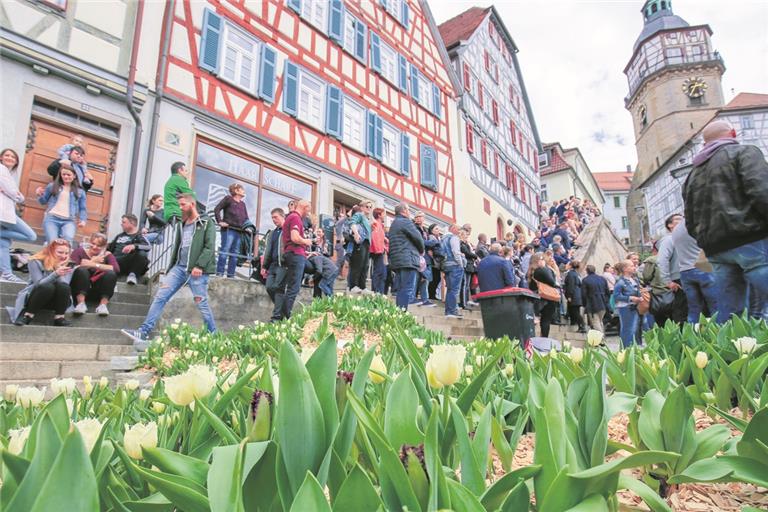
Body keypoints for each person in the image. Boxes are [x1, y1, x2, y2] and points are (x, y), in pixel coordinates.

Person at [682, 119, 768, 322]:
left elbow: (690, 219)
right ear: (733, 133)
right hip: (751, 238)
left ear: (705, 144)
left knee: (730, 313)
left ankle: (732, 351)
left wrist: (706, 240)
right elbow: (762, 191)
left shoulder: (692, 175)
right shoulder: (745, 153)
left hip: (716, 248)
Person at [122, 194, 216, 343]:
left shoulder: (205, 222)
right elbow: (177, 247)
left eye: (183, 205)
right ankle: (144, 331)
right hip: (178, 269)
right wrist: (170, 267)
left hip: (197, 271)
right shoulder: (181, 224)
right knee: (160, 297)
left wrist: (199, 265)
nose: (180, 208)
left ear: (192, 204)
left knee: (201, 303)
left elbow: (209, 247)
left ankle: (213, 335)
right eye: (179, 205)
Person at [11, 238, 73, 326]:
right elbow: (38, 284)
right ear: (50, 251)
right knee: (47, 286)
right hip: (36, 297)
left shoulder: (64, 264)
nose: (64, 256)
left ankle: (59, 317)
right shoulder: (35, 261)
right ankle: (28, 315)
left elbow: (65, 286)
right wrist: (55, 273)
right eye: (60, 252)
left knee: (64, 286)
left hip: (54, 301)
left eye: (66, 253)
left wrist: (58, 268)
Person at [0, 148, 36, 283]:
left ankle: (6, 273)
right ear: (1, 158)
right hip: (3, 214)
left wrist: (14, 194)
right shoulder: (1, 169)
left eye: (13, 157)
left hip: (6, 213)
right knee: (31, 235)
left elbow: (18, 197)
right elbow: (15, 194)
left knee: (3, 245)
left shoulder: (9, 174)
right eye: (7, 155)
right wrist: (14, 194)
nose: (10, 158)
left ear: (16, 161)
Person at [670, 219, 717, 322]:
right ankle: (718, 333)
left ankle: (693, 335)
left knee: (694, 309)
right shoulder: (697, 222)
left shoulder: (676, 230)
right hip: (703, 268)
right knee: (715, 306)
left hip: (685, 271)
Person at [69, 232, 119, 316]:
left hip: (97, 290)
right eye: (93, 243)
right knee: (82, 270)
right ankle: (81, 304)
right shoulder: (79, 251)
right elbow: (72, 269)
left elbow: (115, 269)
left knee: (111, 274)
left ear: (104, 247)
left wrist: (93, 264)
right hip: (78, 289)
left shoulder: (107, 255)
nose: (95, 247)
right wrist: (94, 261)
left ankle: (103, 305)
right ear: (89, 242)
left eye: (99, 245)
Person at [387, 203, 425, 309]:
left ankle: (399, 314)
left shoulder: (394, 223)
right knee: (407, 288)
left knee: (401, 288)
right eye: (408, 209)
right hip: (407, 259)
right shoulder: (405, 221)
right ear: (403, 210)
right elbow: (418, 238)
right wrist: (421, 250)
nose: (409, 212)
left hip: (398, 260)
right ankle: (402, 313)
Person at [654, 213, 688, 325]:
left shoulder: (686, 238)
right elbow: (662, 260)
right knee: (681, 309)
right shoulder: (669, 239)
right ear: (670, 225)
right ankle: (682, 336)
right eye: (678, 219)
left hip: (689, 275)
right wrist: (667, 281)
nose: (682, 220)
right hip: (678, 278)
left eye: (683, 219)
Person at [36, 166, 87, 243]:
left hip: (69, 220)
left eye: (68, 175)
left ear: (74, 176)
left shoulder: (80, 191)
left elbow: (83, 208)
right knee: (53, 242)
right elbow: (43, 201)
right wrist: (39, 195)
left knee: (68, 239)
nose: (66, 176)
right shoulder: (52, 186)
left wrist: (83, 220)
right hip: (52, 218)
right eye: (63, 174)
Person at [281, 199, 312, 320]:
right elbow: (294, 238)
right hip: (295, 254)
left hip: (295, 253)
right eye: (308, 209)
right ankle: (285, 318)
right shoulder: (295, 218)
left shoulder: (292, 217)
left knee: (314, 268)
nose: (308, 213)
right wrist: (306, 241)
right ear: (304, 207)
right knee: (293, 288)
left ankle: (284, 316)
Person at [214, 183, 250, 278]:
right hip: (229, 230)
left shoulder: (243, 204)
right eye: (242, 189)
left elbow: (246, 218)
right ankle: (220, 273)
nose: (243, 191)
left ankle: (230, 275)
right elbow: (217, 209)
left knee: (234, 254)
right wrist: (220, 221)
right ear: (236, 190)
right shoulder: (228, 199)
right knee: (225, 250)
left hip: (239, 231)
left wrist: (248, 227)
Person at [109, 214, 150, 285]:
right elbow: (109, 248)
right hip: (116, 262)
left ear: (132, 223)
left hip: (129, 262)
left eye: (124, 222)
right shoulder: (119, 236)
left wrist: (134, 246)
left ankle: (132, 275)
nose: (121, 224)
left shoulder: (139, 236)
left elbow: (148, 247)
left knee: (142, 254)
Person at [261, 208, 286, 321]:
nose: (273, 220)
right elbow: (268, 251)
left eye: (275, 217)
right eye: (272, 218)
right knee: (269, 287)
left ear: (282, 216)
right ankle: (284, 311)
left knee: (278, 288)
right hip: (272, 265)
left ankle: (276, 318)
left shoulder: (287, 230)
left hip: (283, 264)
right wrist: (264, 266)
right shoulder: (272, 233)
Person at [528, 252, 558, 337]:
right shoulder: (541, 270)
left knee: (538, 320)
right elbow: (552, 282)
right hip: (547, 298)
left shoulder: (532, 271)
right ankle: (544, 338)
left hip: (537, 298)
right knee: (545, 320)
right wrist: (544, 267)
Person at [613, 260, 642, 348]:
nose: (634, 267)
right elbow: (616, 296)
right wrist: (630, 298)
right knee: (628, 330)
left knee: (634, 329)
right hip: (626, 308)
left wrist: (640, 297)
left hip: (634, 307)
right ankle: (626, 349)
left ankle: (632, 349)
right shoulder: (620, 282)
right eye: (632, 266)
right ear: (625, 269)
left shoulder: (634, 280)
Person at [441, 224, 465, 318]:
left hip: (446, 266)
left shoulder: (443, 238)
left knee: (450, 289)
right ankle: (452, 311)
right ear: (453, 229)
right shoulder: (453, 238)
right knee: (454, 290)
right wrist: (461, 264)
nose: (459, 232)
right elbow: (456, 252)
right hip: (455, 265)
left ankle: (448, 310)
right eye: (458, 229)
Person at [348, 200, 372, 293]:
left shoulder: (367, 219)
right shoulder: (359, 215)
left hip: (366, 243)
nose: (369, 208)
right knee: (358, 264)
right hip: (360, 242)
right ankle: (354, 285)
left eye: (370, 207)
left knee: (365, 265)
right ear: (361, 207)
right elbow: (352, 222)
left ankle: (363, 286)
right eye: (367, 206)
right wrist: (356, 233)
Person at [582, 264, 610, 332]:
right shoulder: (602, 279)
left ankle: (600, 338)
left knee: (595, 322)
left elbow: (583, 294)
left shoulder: (585, 280)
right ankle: (601, 337)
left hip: (592, 304)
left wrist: (585, 304)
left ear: (587, 271)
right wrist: (606, 301)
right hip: (603, 303)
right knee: (600, 321)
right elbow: (607, 292)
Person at [563, 260, 587, 333]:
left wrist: (569, 296)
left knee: (575, 312)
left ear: (570, 266)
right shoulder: (577, 274)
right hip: (577, 295)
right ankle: (575, 323)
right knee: (573, 310)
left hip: (573, 295)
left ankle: (582, 325)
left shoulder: (570, 274)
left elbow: (570, 285)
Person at [369, 207, 387, 294]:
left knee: (381, 272)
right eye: (384, 214)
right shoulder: (376, 224)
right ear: (379, 215)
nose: (385, 215)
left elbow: (380, 237)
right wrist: (378, 249)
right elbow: (374, 237)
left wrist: (385, 241)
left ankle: (379, 291)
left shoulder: (380, 225)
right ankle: (375, 290)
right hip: (376, 250)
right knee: (378, 270)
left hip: (379, 249)